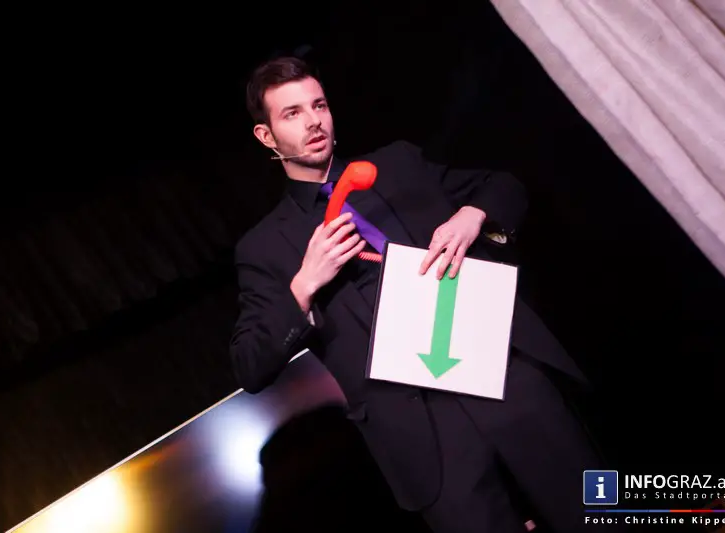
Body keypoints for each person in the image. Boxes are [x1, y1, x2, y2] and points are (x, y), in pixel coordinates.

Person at [229, 56, 611, 533]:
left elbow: (503, 187)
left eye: (319, 105)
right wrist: (304, 284)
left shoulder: (397, 165)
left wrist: (471, 216)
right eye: (292, 113)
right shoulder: (265, 246)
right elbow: (249, 365)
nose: (313, 122)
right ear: (266, 136)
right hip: (427, 440)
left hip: (504, 379)